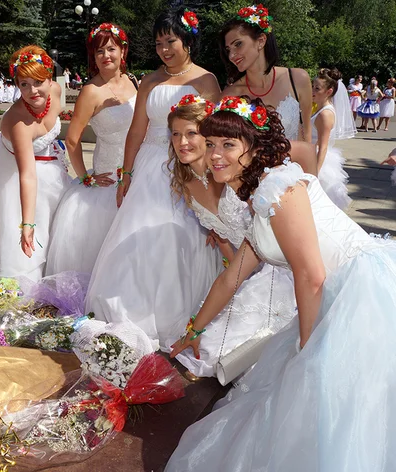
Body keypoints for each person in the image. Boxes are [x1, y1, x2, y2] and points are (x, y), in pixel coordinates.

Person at [165, 96, 396, 471]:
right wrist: (195, 329)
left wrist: (307, 349)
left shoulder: (279, 186)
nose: (214, 155)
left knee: (348, 407)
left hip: (361, 292)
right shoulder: (260, 198)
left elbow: (311, 274)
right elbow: (231, 277)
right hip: (333, 295)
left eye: (228, 145)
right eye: (210, 144)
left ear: (254, 148)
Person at [85, 7, 223, 352]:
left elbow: (215, 136)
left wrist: (213, 192)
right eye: (159, 42)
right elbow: (137, 130)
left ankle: (180, 318)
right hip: (150, 166)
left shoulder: (207, 81)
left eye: (171, 40)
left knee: (182, 242)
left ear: (187, 40)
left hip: (190, 168)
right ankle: (132, 315)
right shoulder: (148, 80)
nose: (164, 49)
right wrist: (126, 174)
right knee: (139, 240)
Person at [166, 94, 296, 379]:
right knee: (203, 344)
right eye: (175, 134)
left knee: (220, 352)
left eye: (192, 134)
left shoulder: (241, 176)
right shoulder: (188, 184)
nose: (182, 142)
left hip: (281, 269)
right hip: (244, 269)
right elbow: (229, 245)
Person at [0, 46, 70, 281]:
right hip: (14, 174)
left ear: (50, 79)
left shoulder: (56, 92)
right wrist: (27, 224)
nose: (32, 91)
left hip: (51, 165)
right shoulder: (19, 122)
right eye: (23, 84)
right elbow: (27, 175)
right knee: (30, 239)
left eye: (38, 82)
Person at [46, 23, 137, 275]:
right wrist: (86, 177)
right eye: (99, 52)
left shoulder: (133, 82)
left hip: (137, 175)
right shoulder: (91, 91)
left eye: (111, 49)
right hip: (107, 183)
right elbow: (73, 141)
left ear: (123, 51)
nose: (106, 56)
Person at [220, 4, 312, 142]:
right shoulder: (229, 95)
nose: (231, 55)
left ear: (261, 41)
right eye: (228, 49)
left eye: (238, 44)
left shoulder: (297, 79)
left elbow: (307, 135)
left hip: (295, 163)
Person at [310, 68, 352, 209]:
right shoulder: (320, 109)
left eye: (317, 88)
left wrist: (314, 172)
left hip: (318, 159)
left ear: (329, 91)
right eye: (312, 86)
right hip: (311, 153)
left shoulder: (325, 114)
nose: (313, 91)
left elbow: (323, 145)